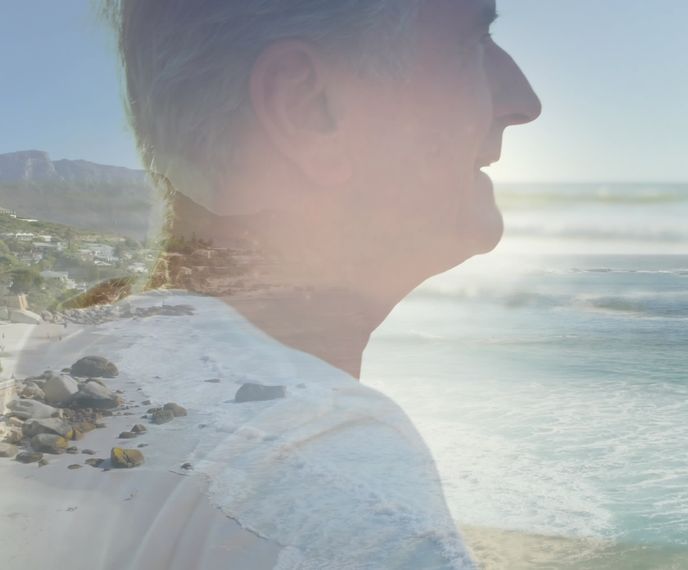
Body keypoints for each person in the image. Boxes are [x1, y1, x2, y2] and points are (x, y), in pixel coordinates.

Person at [1, 1, 539, 568]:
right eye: (474, 42)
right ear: (310, 107)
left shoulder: (65, 361)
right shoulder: (332, 468)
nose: (524, 102)